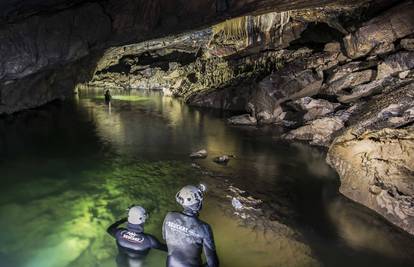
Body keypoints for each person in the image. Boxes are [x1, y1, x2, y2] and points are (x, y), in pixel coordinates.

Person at [163, 184, 219, 267]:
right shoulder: (204, 228)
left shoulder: (169, 216)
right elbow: (213, 264)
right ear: (199, 204)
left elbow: (165, 237)